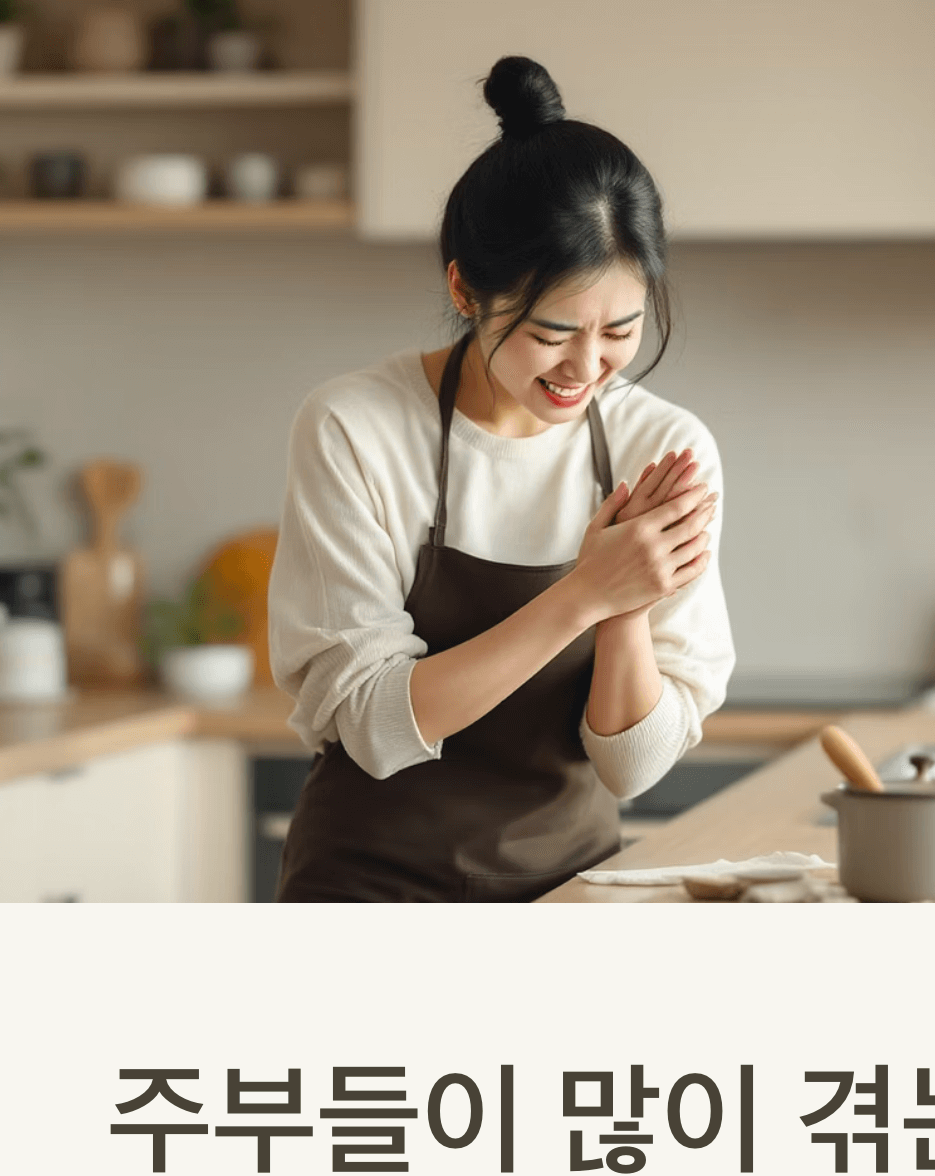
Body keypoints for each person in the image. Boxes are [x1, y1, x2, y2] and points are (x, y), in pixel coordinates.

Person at [268, 54, 735, 902]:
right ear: (465, 288)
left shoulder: (663, 445)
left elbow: (632, 769)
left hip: (569, 895)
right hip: (369, 893)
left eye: (621, 330)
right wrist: (586, 595)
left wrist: (627, 606)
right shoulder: (356, 428)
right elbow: (375, 723)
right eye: (552, 331)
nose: (585, 368)